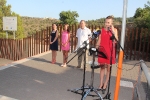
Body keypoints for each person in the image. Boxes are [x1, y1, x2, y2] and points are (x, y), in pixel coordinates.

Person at [96, 15, 118, 92]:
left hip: (110, 52)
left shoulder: (114, 30)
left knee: (108, 69)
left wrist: (112, 31)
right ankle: (101, 83)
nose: (107, 24)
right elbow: (99, 39)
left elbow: (116, 41)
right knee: (102, 68)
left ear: (111, 23)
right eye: (106, 22)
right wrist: (96, 47)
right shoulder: (101, 30)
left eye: (108, 22)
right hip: (102, 51)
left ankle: (105, 84)